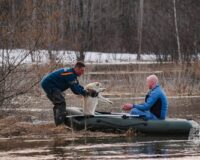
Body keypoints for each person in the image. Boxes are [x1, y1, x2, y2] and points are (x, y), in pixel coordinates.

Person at [40, 61, 98, 126]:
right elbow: (75, 90)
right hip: (49, 85)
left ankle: (58, 123)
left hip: (50, 84)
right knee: (60, 103)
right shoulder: (69, 74)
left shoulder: (71, 73)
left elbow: (76, 85)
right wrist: (86, 93)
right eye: (82, 70)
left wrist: (87, 90)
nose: (83, 73)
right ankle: (60, 125)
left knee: (59, 103)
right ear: (77, 68)